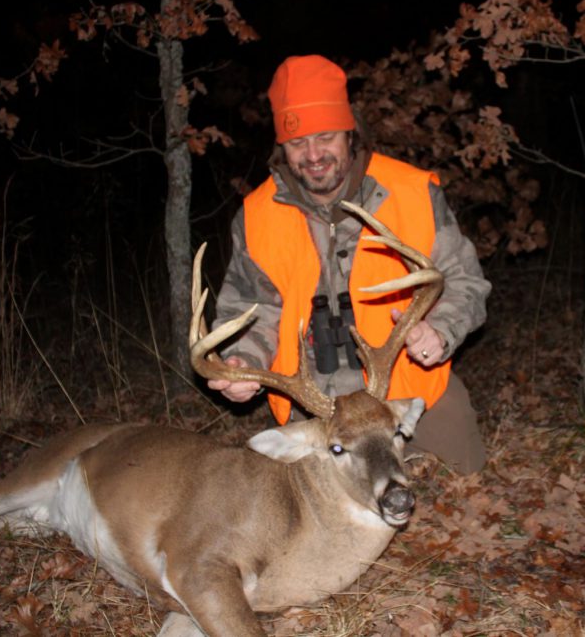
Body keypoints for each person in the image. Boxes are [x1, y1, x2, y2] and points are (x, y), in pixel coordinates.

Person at [208, 55, 491, 474]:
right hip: (314, 403)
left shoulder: (411, 193)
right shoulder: (257, 216)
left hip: (406, 389)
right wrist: (241, 361)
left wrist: (441, 329)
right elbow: (251, 308)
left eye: (325, 137)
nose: (313, 154)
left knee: (463, 475)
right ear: (281, 147)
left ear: (349, 132)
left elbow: (464, 281)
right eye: (298, 142)